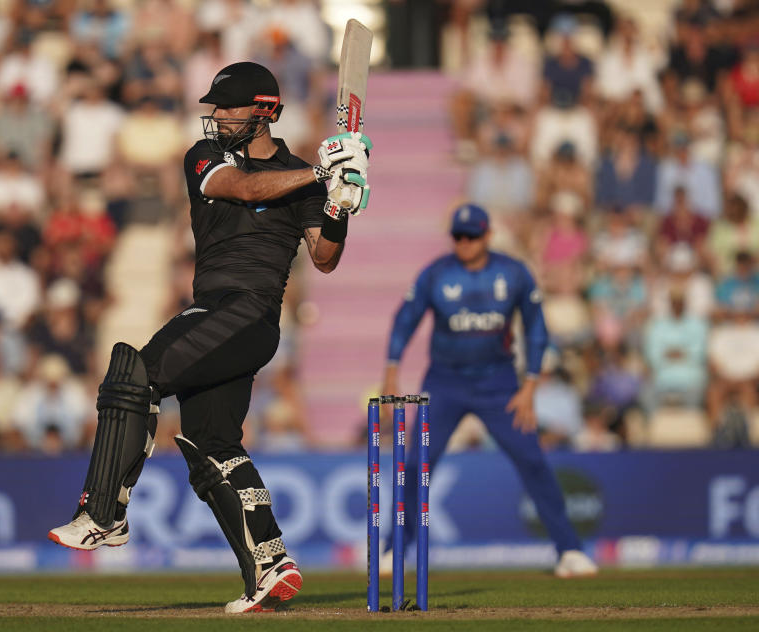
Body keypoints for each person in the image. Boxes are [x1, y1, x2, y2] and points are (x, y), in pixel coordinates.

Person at [47, 62, 370, 612]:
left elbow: (325, 256)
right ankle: (270, 565)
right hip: (217, 311)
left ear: (263, 111)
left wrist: (340, 204)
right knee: (210, 442)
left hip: (250, 314)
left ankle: (103, 514)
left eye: (226, 108)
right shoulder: (209, 158)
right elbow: (240, 188)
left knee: (135, 370)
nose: (215, 117)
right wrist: (321, 174)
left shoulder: (300, 176)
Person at [382, 204, 597, 578]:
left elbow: (536, 328)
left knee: (532, 462)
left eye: (471, 236)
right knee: (416, 467)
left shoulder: (512, 274)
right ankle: (394, 551)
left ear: (488, 236)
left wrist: (530, 385)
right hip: (445, 383)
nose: (464, 243)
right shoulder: (437, 273)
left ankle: (569, 551)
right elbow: (405, 318)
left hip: (499, 386)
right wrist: (391, 370)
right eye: (458, 236)